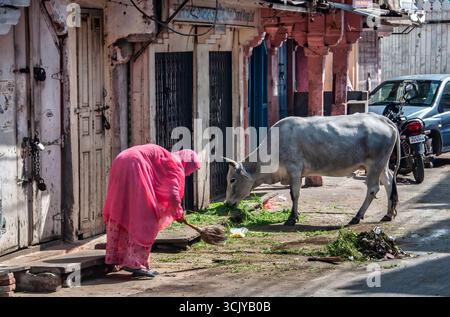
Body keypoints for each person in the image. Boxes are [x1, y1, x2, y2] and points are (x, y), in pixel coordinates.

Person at [103, 144, 201, 278]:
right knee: (146, 216)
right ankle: (135, 263)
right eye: (190, 169)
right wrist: (178, 212)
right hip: (135, 164)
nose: (188, 173)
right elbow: (172, 195)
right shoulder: (175, 164)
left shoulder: (165, 158)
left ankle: (118, 257)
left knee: (122, 206)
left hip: (120, 160)